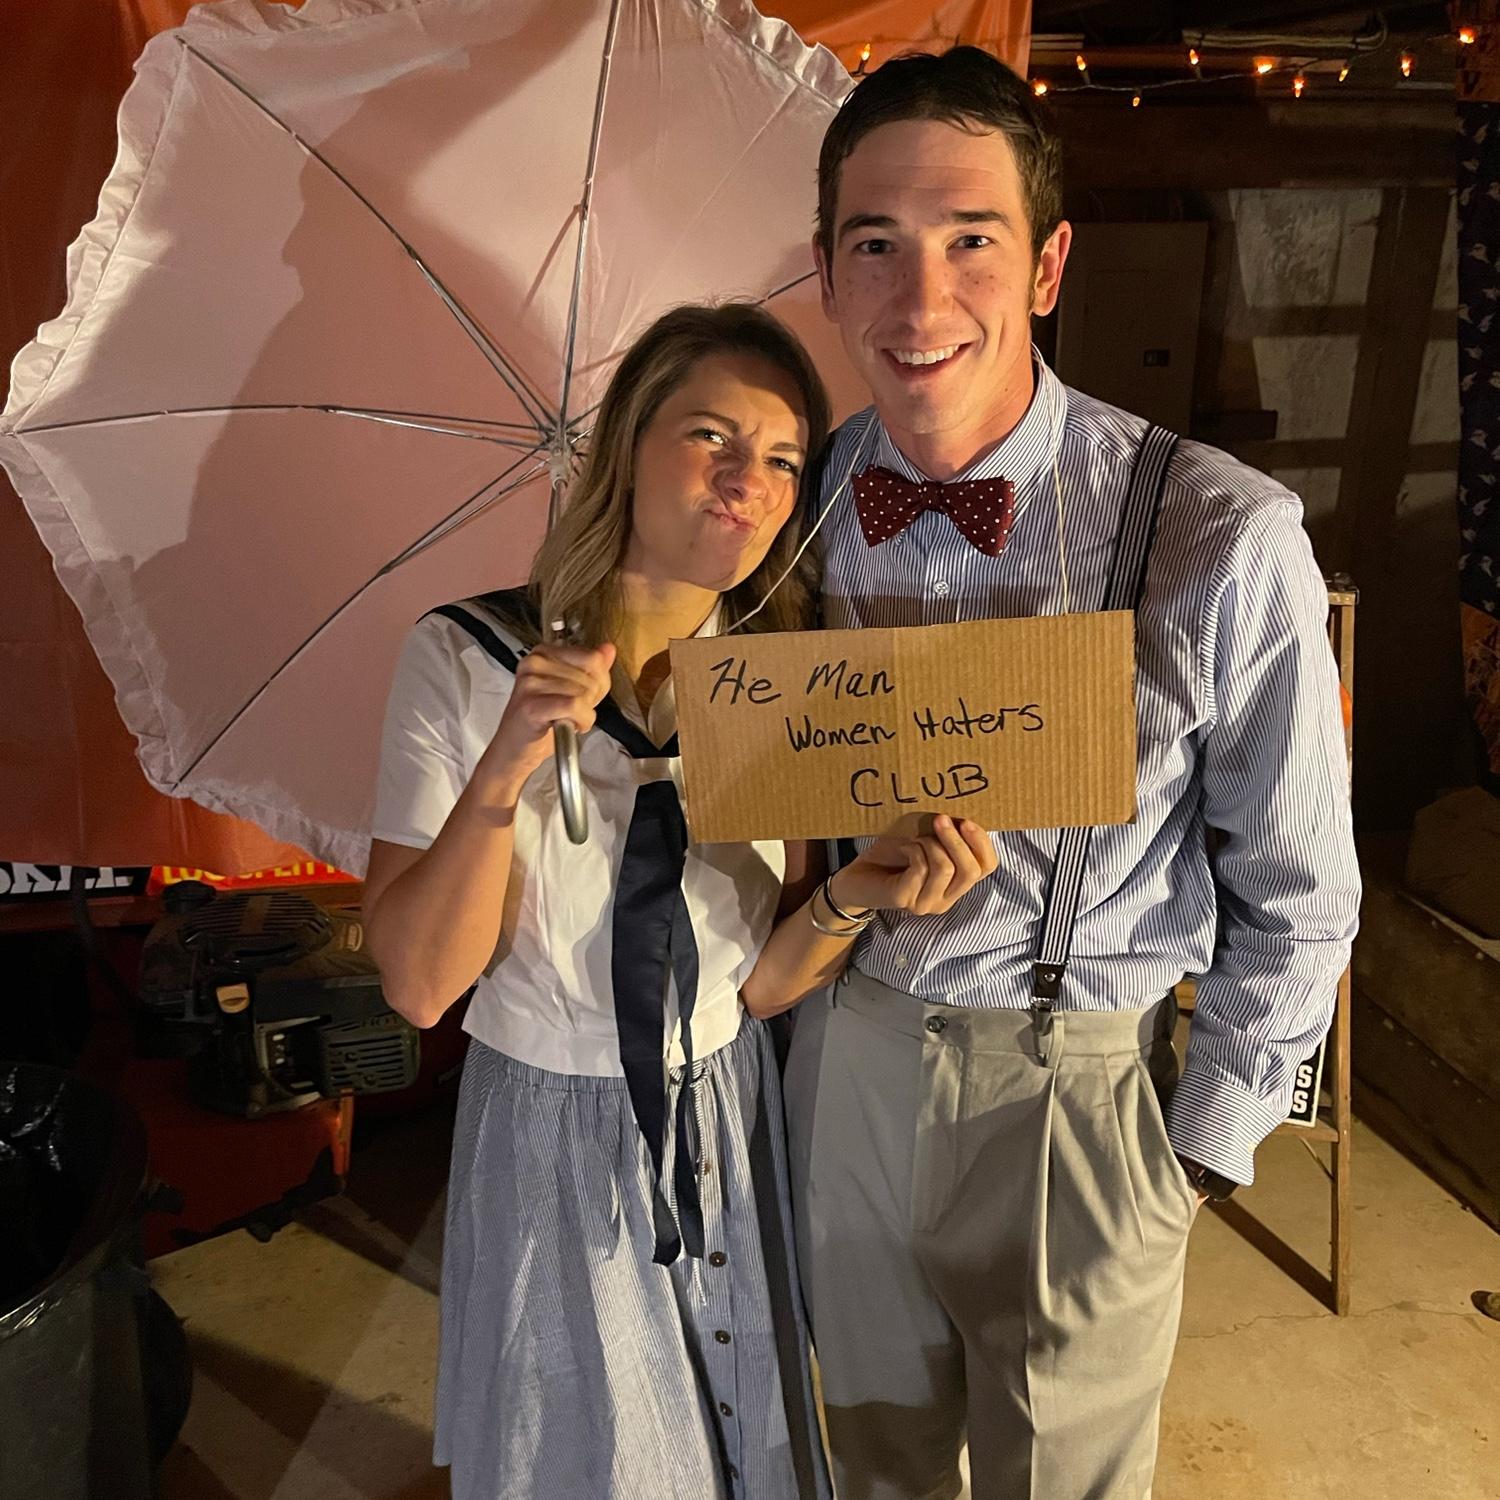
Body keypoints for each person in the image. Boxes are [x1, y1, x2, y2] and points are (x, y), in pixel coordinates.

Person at [772, 48, 1363, 1500]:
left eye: (971, 240)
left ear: (1046, 266)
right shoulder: (787, 503)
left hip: (1072, 1084)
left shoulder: (1219, 532)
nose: (921, 301)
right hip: (844, 1057)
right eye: (876, 245)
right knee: (870, 1468)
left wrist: (1197, 1154)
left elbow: (1303, 893)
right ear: (827, 274)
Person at [361, 301, 997, 1500]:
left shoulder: (778, 683)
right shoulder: (464, 659)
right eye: (712, 437)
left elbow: (755, 985)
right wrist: (503, 770)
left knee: (743, 1448)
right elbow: (420, 985)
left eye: (783, 459)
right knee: (597, 1461)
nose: (749, 482)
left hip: (729, 1113)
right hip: (552, 1127)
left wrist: (855, 896)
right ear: (626, 448)